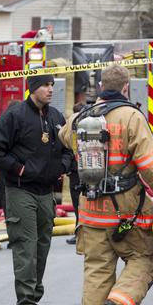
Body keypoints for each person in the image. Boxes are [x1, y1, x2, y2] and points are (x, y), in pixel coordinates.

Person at [59, 64, 153, 305]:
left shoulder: (81, 117)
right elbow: (150, 166)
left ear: (100, 86)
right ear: (126, 87)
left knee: (97, 268)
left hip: (90, 209)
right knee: (146, 257)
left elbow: (64, 137)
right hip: (125, 209)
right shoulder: (132, 117)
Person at [0, 75, 73, 305]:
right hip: (21, 191)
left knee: (42, 247)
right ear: (33, 88)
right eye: (45, 85)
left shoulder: (55, 117)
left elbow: (69, 149)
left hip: (46, 193)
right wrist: (19, 169)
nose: (50, 89)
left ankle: (34, 301)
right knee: (26, 247)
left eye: (52, 85)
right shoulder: (15, 116)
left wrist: (62, 166)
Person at [66, 102, 86, 246]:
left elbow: (68, 148)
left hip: (76, 171)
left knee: (77, 203)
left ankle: (79, 234)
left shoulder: (72, 127)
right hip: (90, 170)